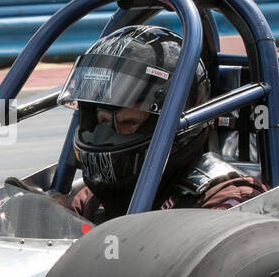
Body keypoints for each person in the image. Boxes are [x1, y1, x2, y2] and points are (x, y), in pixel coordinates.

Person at [55, 25, 264, 223]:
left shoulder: (227, 199)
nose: (105, 137)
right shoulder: (90, 199)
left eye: (129, 122)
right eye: (101, 122)